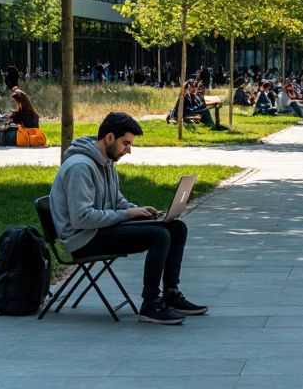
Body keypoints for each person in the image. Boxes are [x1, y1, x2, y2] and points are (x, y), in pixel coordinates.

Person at [49, 112, 206, 325]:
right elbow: (81, 218)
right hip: (83, 240)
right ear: (109, 138)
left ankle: (170, 294)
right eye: (126, 143)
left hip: (98, 230)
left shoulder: (106, 162)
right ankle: (150, 304)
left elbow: (117, 201)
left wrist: (140, 211)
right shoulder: (80, 167)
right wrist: (127, 215)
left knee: (176, 228)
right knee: (159, 236)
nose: (128, 150)